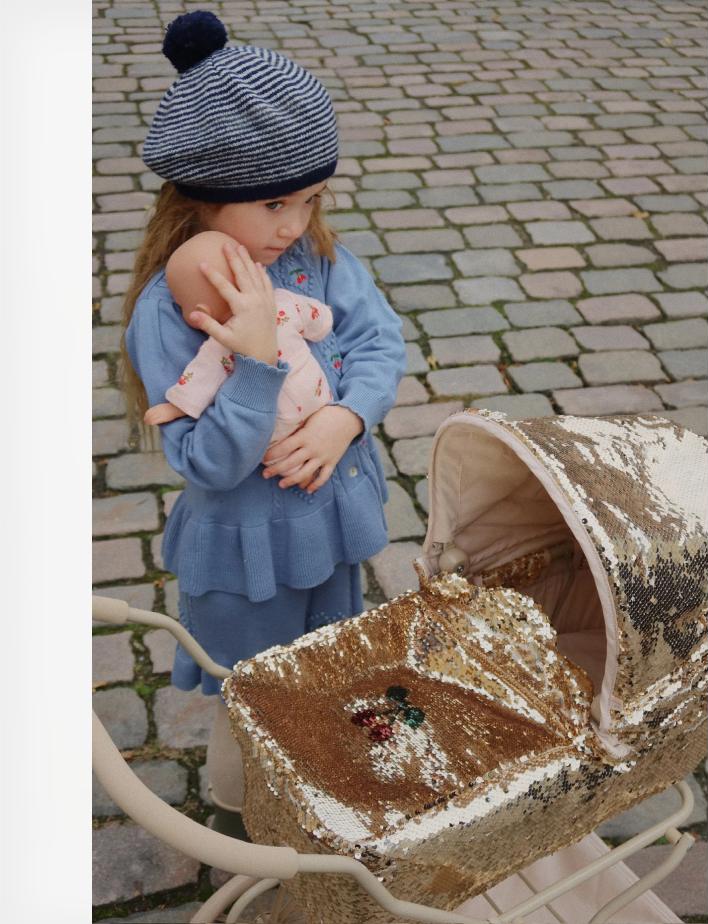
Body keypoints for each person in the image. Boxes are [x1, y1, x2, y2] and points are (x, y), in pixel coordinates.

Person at [119, 10, 406, 835]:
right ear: (201, 199)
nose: (294, 224)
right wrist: (253, 362)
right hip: (245, 554)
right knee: (252, 697)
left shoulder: (314, 260)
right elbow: (208, 461)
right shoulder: (172, 311)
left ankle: (324, 795)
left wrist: (347, 417)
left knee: (329, 672)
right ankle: (243, 820)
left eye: (310, 198)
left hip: (331, 526)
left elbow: (378, 340)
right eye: (276, 202)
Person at [142, 229, 336, 458]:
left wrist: (176, 407)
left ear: (201, 312)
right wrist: (323, 319)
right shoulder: (285, 303)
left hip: (277, 430)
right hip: (320, 397)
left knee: (283, 459)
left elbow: (199, 380)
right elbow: (320, 321)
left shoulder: (221, 343)